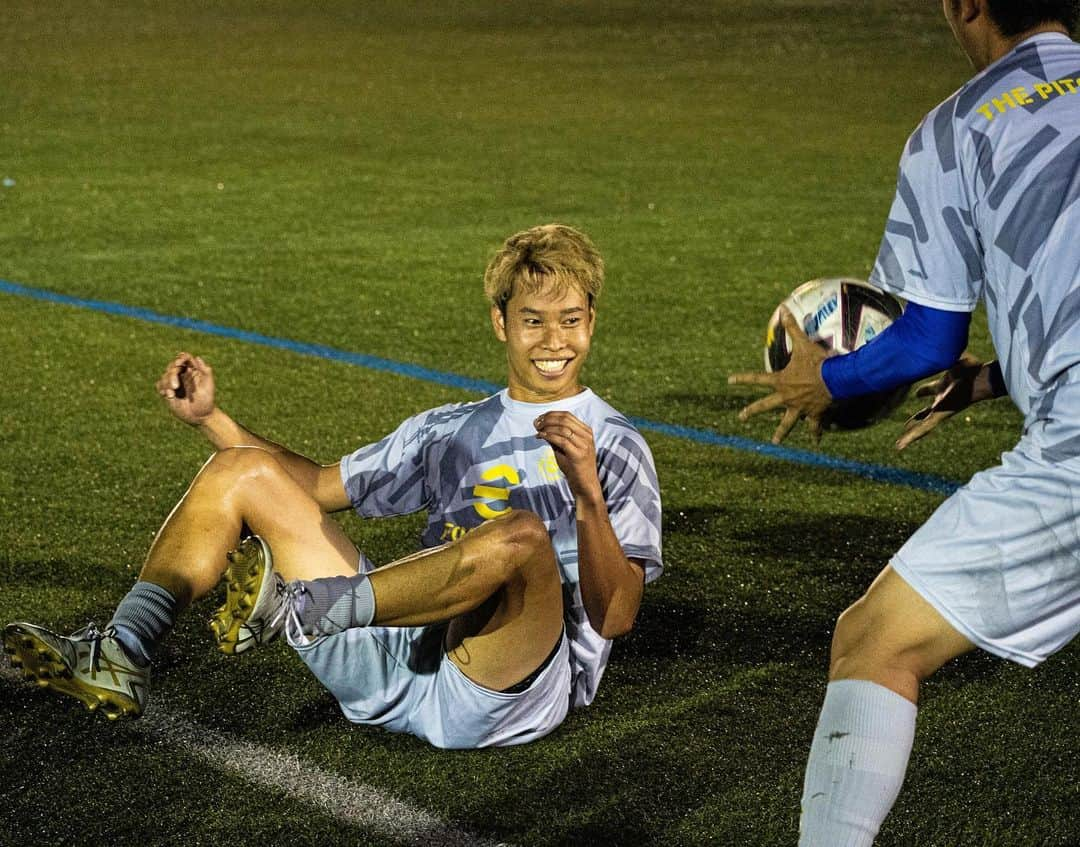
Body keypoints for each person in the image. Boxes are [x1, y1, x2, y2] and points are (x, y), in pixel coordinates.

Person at [4, 223, 663, 749]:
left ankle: (304, 610)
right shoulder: (450, 428)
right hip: (396, 653)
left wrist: (587, 496)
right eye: (534, 320)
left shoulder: (615, 442)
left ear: (593, 320)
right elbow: (317, 485)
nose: (555, 340)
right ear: (501, 321)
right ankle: (122, 646)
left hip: (502, 692)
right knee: (241, 471)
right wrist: (213, 419)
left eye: (571, 319)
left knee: (519, 537)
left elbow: (616, 615)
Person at [730, 0, 1080, 842]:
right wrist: (1002, 376)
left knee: (873, 641)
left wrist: (829, 381)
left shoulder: (956, 129)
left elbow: (926, 334)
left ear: (967, 5)